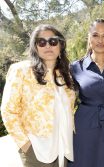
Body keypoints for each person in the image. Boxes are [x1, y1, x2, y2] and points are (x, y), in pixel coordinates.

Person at [1, 24, 76, 167]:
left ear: (60, 45)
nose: (48, 46)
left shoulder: (66, 75)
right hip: (36, 149)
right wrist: (25, 144)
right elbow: (8, 110)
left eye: (53, 41)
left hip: (62, 147)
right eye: (42, 42)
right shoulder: (21, 70)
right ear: (35, 47)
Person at [68, 18, 104, 167]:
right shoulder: (74, 67)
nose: (100, 40)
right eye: (95, 35)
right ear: (89, 37)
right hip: (83, 126)